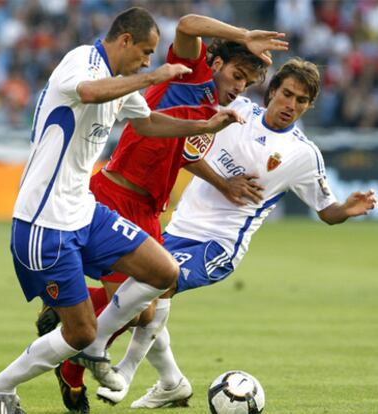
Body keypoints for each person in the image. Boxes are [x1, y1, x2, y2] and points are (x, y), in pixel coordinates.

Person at [0, 7, 245, 414]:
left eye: (152, 57)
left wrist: (206, 128)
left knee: (164, 271)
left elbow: (150, 122)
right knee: (80, 332)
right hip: (44, 222)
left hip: (84, 211)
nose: (148, 62)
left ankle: (99, 344)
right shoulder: (82, 60)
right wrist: (153, 78)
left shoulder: (120, 85)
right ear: (124, 41)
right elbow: (87, 92)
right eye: (145, 53)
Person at [40, 13, 289, 413]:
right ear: (216, 63)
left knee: (144, 311)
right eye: (237, 74)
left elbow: (181, 150)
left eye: (248, 82)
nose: (240, 86)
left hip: (150, 211)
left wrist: (222, 183)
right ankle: (69, 361)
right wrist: (244, 34)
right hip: (115, 196)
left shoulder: (213, 109)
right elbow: (188, 23)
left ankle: (67, 309)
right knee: (133, 304)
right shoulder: (190, 74)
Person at [95, 57, 376, 408]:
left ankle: (118, 366)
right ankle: (171, 382)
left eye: (301, 101)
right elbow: (185, 149)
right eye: (287, 94)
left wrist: (346, 211)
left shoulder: (304, 155)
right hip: (178, 229)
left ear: (308, 106)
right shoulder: (236, 110)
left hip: (218, 246)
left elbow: (327, 211)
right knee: (143, 304)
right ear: (272, 91)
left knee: (155, 285)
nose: (291, 105)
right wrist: (223, 183)